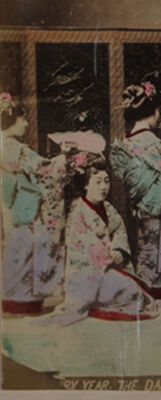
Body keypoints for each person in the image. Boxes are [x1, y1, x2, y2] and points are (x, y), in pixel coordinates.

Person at [49, 159, 157, 325]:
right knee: (129, 292)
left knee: (135, 292)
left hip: (109, 267)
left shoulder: (107, 207)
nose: (103, 187)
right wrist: (108, 256)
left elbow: (119, 228)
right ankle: (97, 302)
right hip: (88, 274)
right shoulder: (78, 212)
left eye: (107, 181)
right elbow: (83, 247)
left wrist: (119, 250)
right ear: (86, 185)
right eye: (98, 182)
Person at [110, 82, 161, 300]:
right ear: (152, 111)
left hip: (140, 200)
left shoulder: (126, 141)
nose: (159, 115)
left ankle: (147, 281)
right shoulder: (151, 141)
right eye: (158, 110)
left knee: (146, 242)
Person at [1, 92, 71, 315]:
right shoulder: (16, 148)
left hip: (7, 203)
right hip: (23, 206)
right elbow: (46, 171)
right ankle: (24, 301)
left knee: (13, 247)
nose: (26, 123)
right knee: (26, 248)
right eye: (23, 118)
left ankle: (13, 299)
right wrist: (62, 156)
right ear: (12, 119)